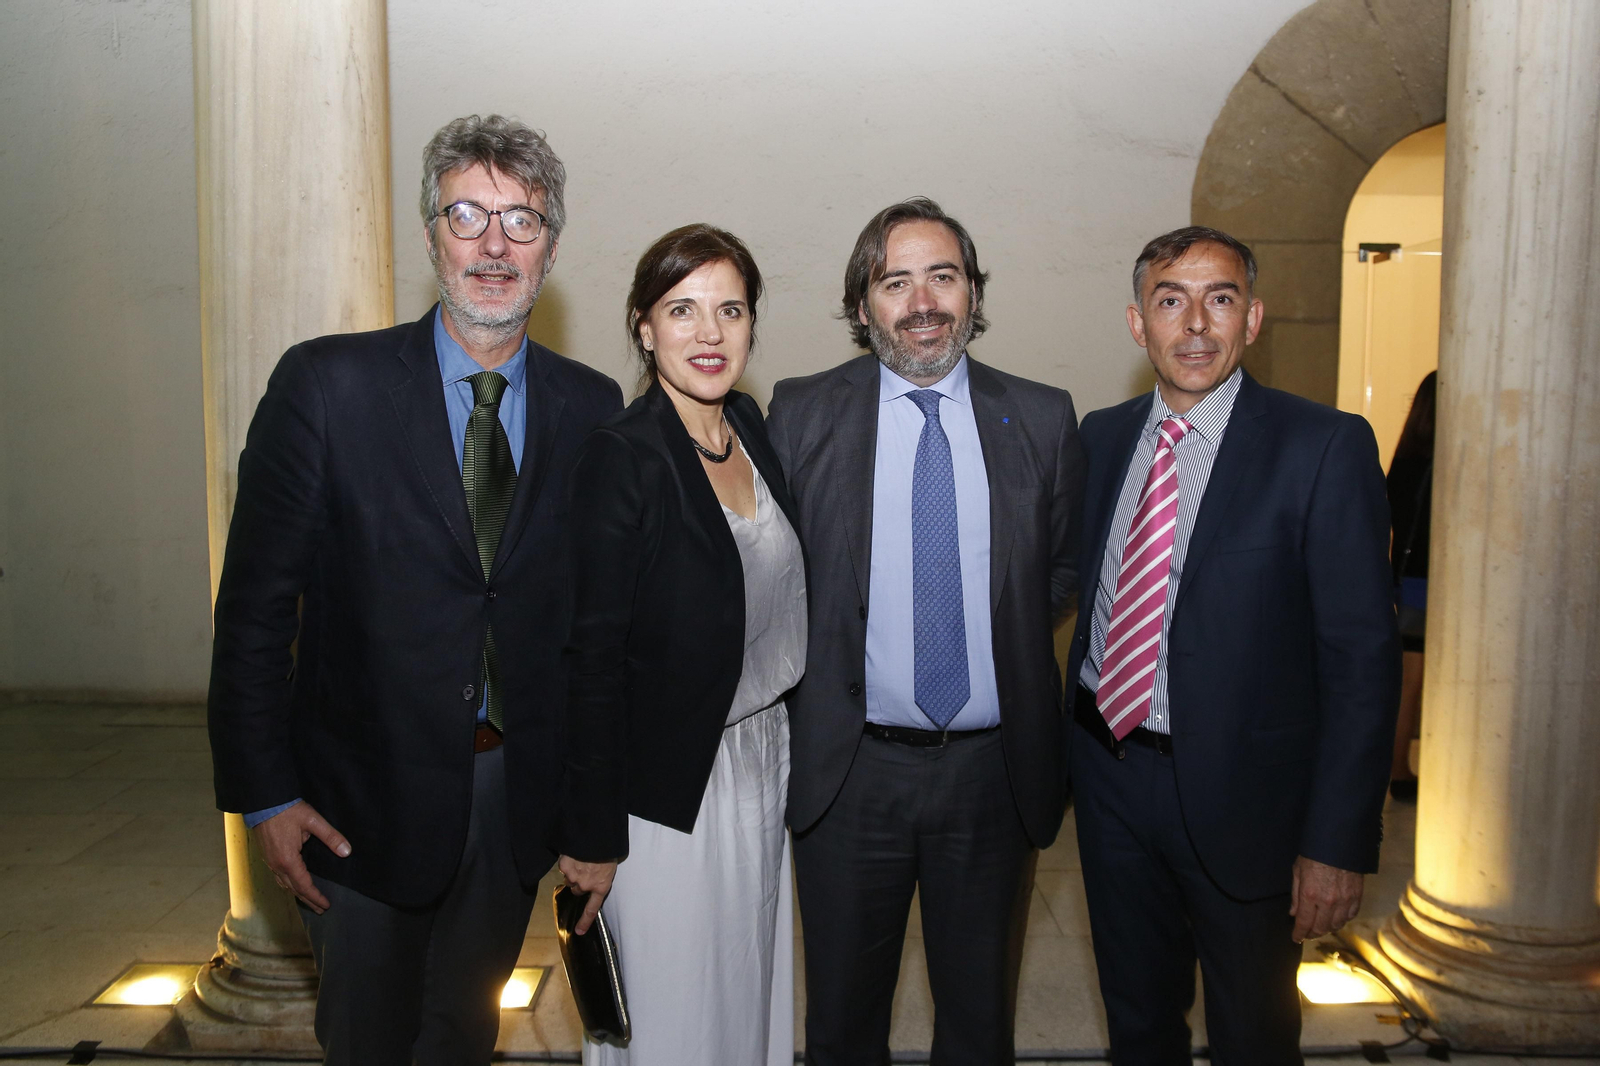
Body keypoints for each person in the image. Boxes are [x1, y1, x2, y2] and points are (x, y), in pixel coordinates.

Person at [206, 114, 623, 1066]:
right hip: (355, 805)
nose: (492, 243)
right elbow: (256, 613)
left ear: (551, 246)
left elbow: (598, 632)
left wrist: (589, 813)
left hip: (511, 800)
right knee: (367, 1040)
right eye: (467, 213)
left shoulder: (593, 407)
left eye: (521, 220)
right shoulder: (325, 387)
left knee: (463, 1036)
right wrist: (265, 797)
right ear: (431, 231)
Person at [1064, 226, 1400, 1064]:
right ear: (1138, 325)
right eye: (1171, 301)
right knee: (1137, 1023)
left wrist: (1334, 843)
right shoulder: (1100, 439)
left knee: (1254, 1034)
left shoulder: (1322, 447)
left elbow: (1362, 661)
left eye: (1220, 300)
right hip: (1109, 779)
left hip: (1250, 802)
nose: (1196, 325)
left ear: (1253, 319)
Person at [767, 197, 1087, 1066]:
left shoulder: (1046, 417)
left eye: (942, 276)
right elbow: (774, 574)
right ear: (863, 303)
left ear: (973, 292)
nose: (921, 301)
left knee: (980, 1025)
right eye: (894, 280)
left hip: (993, 774)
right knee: (841, 1022)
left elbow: (1062, 569)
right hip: (851, 772)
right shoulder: (797, 415)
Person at [556, 225, 806, 1066]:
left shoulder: (751, 429)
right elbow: (587, 658)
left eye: (729, 310)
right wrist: (590, 833)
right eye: (682, 310)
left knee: (749, 990)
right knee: (678, 1013)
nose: (709, 333)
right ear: (642, 326)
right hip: (668, 793)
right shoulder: (620, 457)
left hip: (761, 760)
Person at [1386, 369, 1436, 800]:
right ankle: (1398, 768)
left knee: (1411, 678)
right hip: (1425, 580)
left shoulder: (1406, 457)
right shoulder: (1439, 464)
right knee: (1413, 679)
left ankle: (1398, 765)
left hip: (1406, 580)